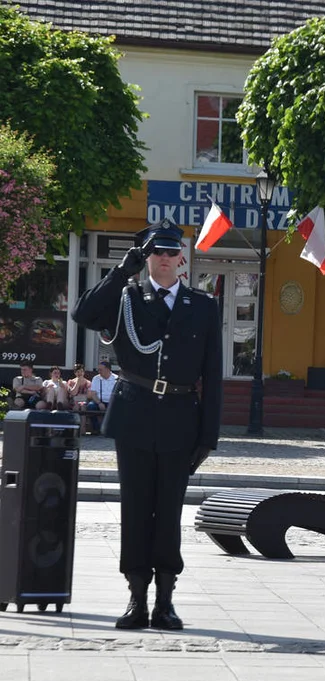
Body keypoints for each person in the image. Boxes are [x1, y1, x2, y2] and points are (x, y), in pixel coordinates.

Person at [72, 219, 223, 631]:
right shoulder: (126, 297)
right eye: (156, 252)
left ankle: (166, 601)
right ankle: (136, 597)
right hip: (135, 413)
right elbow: (82, 313)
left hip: (179, 416)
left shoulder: (202, 305)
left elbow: (212, 373)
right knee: (136, 509)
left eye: (171, 252)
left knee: (169, 511)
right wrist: (123, 269)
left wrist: (208, 436)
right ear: (146, 257)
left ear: (181, 259)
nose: (164, 259)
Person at [86, 360, 118, 435]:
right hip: (99, 401)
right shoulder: (96, 378)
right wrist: (99, 403)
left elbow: (118, 395)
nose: (98, 371)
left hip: (112, 403)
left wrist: (112, 404)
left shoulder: (116, 379)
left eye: (101, 370)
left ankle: (113, 430)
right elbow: (93, 394)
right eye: (98, 369)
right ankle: (97, 429)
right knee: (90, 407)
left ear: (107, 369)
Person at [68, 364, 93, 433]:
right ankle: (74, 429)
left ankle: (82, 429)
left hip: (84, 401)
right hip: (73, 402)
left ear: (84, 372)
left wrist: (80, 397)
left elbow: (88, 395)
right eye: (78, 372)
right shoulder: (71, 382)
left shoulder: (88, 382)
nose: (80, 373)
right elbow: (73, 393)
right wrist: (78, 383)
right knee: (76, 405)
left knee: (82, 405)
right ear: (75, 373)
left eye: (81, 371)